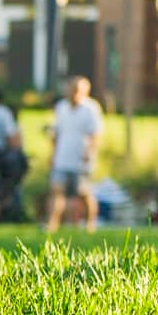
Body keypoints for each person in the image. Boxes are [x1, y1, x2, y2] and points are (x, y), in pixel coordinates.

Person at [45, 77, 104, 234]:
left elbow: (95, 134)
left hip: (81, 160)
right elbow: (56, 133)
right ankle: (52, 224)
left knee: (85, 194)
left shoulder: (91, 108)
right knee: (56, 191)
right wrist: (52, 154)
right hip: (62, 158)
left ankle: (90, 224)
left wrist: (89, 152)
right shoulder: (61, 107)